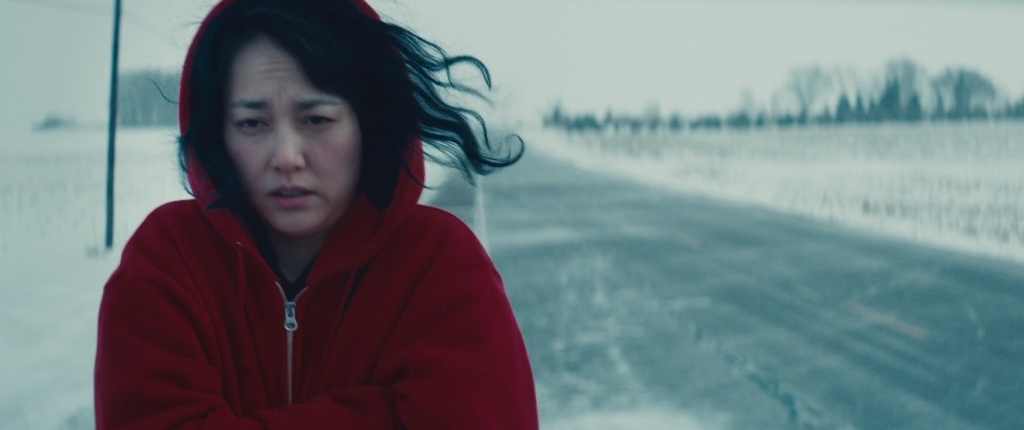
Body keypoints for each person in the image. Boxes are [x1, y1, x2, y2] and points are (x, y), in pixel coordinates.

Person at [93, 0, 538, 428]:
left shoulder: (440, 264)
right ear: (217, 135)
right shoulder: (169, 260)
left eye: (316, 119)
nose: (286, 157)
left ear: (368, 123)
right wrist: (387, 414)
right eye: (253, 123)